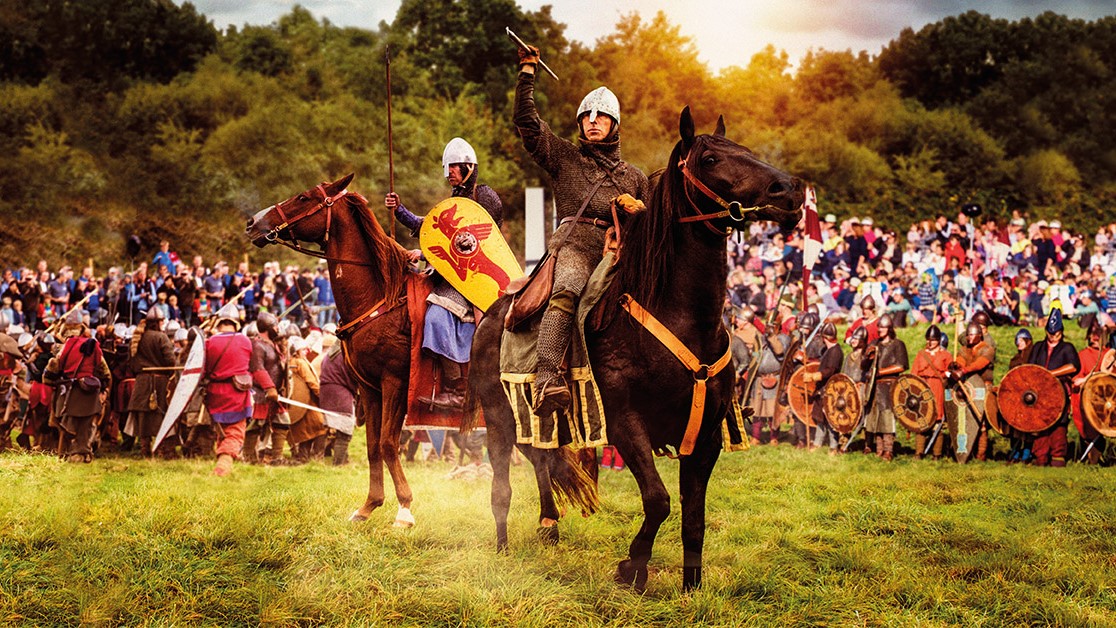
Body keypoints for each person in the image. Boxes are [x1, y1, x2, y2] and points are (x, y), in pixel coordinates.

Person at [514, 44, 651, 416]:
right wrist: (527, 73)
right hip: (575, 245)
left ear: (614, 125)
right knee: (568, 287)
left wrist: (637, 213)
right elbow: (528, 125)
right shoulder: (564, 158)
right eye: (587, 116)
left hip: (617, 252)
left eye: (601, 117)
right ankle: (547, 379)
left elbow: (652, 234)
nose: (593, 121)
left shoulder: (635, 177)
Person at [385, 137, 503, 411]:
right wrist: (399, 210)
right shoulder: (455, 200)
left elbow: (472, 242)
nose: (448, 173)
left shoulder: (484, 197)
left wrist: (426, 254)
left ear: (468, 167)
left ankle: (457, 390)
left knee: (437, 317)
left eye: (453, 167)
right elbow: (431, 228)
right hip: (452, 272)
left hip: (474, 276)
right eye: (447, 168)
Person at [204, 303, 271, 476]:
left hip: (214, 394)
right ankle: (222, 467)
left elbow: (202, 371)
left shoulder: (209, 342)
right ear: (236, 323)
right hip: (236, 394)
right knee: (235, 432)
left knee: (222, 430)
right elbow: (254, 367)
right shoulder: (244, 341)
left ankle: (225, 461)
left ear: (219, 323)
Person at [43, 309, 111, 463]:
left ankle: (69, 453)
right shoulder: (93, 345)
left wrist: (48, 379)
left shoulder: (65, 346)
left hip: (69, 391)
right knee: (86, 425)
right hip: (89, 390)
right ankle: (83, 453)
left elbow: (55, 368)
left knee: (68, 426)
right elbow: (104, 370)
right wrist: (105, 388)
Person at [1026, 308, 1080, 467]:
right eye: (1050, 333)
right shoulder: (1038, 347)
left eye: (1056, 333)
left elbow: (1072, 366)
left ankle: (1058, 456)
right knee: (1040, 422)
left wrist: (1051, 374)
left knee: (1059, 424)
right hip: (1039, 390)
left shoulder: (1067, 348)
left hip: (1058, 390)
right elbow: (1030, 367)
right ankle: (1040, 456)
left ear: (1061, 332)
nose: (1053, 336)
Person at [126, 308, 176, 457]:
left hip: (142, 382)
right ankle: (161, 450)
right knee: (160, 417)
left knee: (143, 418)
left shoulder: (137, 338)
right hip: (160, 383)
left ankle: (145, 450)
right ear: (158, 322)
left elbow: (132, 363)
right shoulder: (161, 337)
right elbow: (171, 362)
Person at [948, 321, 996, 461]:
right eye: (967, 335)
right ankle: (967, 453)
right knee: (966, 421)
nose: (968, 338)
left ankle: (981, 455)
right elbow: (961, 360)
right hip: (967, 387)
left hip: (983, 386)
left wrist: (963, 370)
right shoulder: (964, 349)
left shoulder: (988, 349)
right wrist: (956, 365)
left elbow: (979, 364)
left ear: (979, 335)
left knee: (981, 423)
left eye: (971, 335)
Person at [862, 315, 908, 461]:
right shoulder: (875, 343)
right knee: (875, 418)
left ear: (889, 329)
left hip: (889, 386)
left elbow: (901, 366)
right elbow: (864, 366)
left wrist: (881, 372)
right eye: (879, 327)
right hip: (874, 386)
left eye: (882, 327)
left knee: (887, 419)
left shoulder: (897, 344)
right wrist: (867, 357)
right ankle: (879, 449)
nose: (879, 330)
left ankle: (888, 450)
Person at [246, 311, 287, 464]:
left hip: (276, 393)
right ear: (267, 328)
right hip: (261, 392)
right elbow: (258, 369)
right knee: (255, 425)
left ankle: (277, 458)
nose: (277, 329)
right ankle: (249, 458)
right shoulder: (257, 344)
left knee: (283, 421)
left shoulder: (273, 345)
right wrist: (269, 387)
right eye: (275, 326)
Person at [1071, 322, 1112, 464]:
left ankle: (1099, 456)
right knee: (1087, 428)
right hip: (1087, 399)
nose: (1094, 338)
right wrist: (1083, 380)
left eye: (1098, 336)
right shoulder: (1082, 355)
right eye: (1093, 335)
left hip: (1107, 400)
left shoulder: (1110, 355)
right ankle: (1090, 458)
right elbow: (1076, 379)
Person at [912, 325, 951, 460]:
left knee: (937, 419)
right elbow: (914, 373)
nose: (930, 342)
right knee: (922, 417)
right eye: (928, 339)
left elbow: (950, 372)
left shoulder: (946, 355)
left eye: (933, 340)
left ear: (939, 340)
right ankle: (919, 452)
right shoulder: (921, 354)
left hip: (937, 387)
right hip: (923, 387)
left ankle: (937, 453)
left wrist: (950, 373)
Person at [807, 322, 843, 455]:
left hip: (831, 389)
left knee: (831, 419)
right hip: (823, 388)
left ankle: (834, 446)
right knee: (820, 418)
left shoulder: (835, 351)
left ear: (824, 338)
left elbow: (830, 370)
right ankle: (817, 442)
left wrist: (814, 376)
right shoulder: (829, 351)